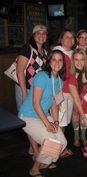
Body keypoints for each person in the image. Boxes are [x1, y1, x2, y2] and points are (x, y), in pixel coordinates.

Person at [18, 50, 67, 177]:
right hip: (28, 116)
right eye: (54, 59)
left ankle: (44, 159)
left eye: (60, 60)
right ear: (49, 62)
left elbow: (55, 104)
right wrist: (48, 124)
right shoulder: (42, 76)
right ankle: (35, 168)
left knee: (63, 142)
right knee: (50, 140)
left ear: (63, 63)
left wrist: (56, 122)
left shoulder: (59, 82)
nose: (57, 62)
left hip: (43, 115)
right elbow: (35, 103)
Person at [16, 24, 48, 157]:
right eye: (38, 33)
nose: (41, 36)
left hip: (37, 91)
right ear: (33, 36)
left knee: (35, 119)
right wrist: (24, 92)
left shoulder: (45, 53)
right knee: (29, 120)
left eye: (44, 33)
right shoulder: (27, 49)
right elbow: (19, 71)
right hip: (26, 89)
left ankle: (32, 148)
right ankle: (36, 153)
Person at [53, 29, 75, 156]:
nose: (70, 39)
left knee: (65, 121)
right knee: (59, 121)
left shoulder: (73, 53)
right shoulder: (57, 53)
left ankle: (59, 148)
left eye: (72, 37)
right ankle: (55, 151)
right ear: (61, 39)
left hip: (70, 92)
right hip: (60, 92)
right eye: (67, 37)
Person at [68, 48, 87, 147]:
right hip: (78, 99)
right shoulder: (72, 78)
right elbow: (76, 99)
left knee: (86, 116)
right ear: (73, 61)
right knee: (77, 113)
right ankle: (76, 136)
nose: (79, 62)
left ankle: (83, 137)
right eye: (76, 59)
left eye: (82, 59)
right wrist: (83, 116)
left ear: (85, 60)